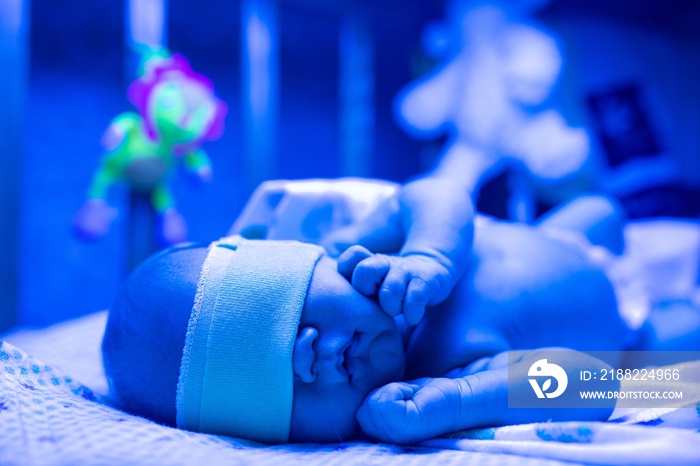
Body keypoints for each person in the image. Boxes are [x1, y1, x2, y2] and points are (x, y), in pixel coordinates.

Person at [103, 176, 632, 445]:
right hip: (632, 334)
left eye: (286, 310)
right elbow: (593, 383)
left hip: (564, 239)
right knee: (680, 373)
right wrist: (459, 401)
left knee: (602, 209)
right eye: (273, 387)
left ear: (322, 262)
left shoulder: (371, 245)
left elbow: (437, 192)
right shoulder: (440, 376)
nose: (310, 357)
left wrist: (430, 254)